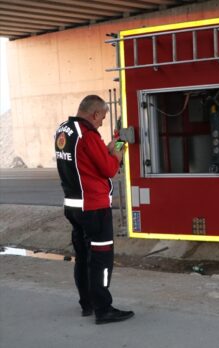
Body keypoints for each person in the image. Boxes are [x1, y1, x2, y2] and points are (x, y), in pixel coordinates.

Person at [55, 95, 134, 324]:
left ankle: (87, 304)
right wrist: (118, 146)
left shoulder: (64, 130)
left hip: (73, 207)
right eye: (102, 118)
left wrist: (105, 148)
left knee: (82, 258)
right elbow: (110, 168)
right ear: (95, 114)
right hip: (94, 208)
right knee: (101, 260)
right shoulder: (88, 135)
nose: (101, 123)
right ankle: (104, 309)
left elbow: (85, 161)